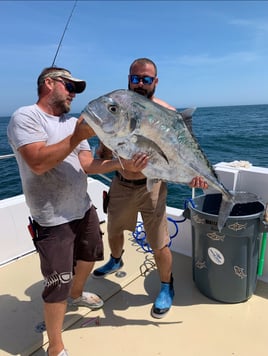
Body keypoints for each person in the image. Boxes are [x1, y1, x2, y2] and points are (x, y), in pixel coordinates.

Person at [7, 66, 147, 356]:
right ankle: (56, 347)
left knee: (88, 258)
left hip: (83, 208)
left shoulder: (73, 124)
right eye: (69, 86)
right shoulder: (26, 117)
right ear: (48, 83)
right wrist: (77, 134)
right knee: (56, 284)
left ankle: (77, 293)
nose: (74, 93)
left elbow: (87, 164)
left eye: (77, 89)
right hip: (52, 217)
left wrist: (122, 165)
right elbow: (38, 163)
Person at [93, 58, 208, 319]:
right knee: (113, 230)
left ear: (155, 82)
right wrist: (111, 159)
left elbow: (185, 152)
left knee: (159, 242)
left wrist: (194, 177)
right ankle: (116, 258)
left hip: (153, 187)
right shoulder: (117, 109)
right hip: (121, 183)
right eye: (136, 78)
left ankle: (167, 286)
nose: (140, 84)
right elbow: (103, 151)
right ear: (129, 79)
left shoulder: (168, 113)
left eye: (146, 79)